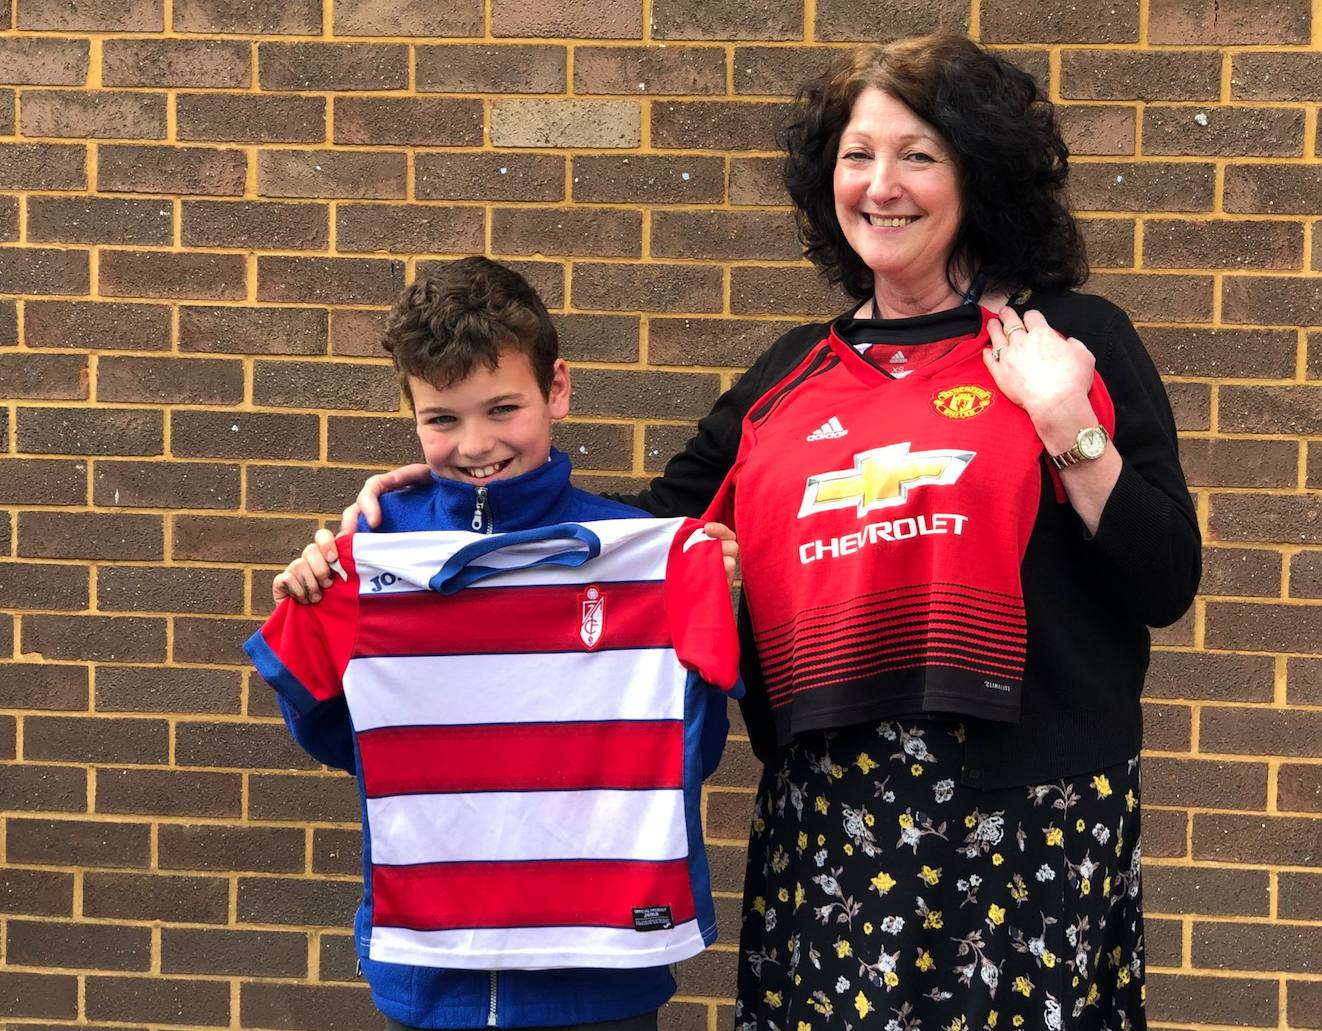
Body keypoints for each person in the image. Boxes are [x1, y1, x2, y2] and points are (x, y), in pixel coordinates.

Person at [301, 35, 1201, 1030]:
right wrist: (429, 517)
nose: (882, 185)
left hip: (1031, 817)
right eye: (858, 155)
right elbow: (612, 544)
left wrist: (1070, 427)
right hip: (829, 831)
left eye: (919, 154)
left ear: (977, 172)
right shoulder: (787, 375)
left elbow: (1163, 578)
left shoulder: (1072, 338)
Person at [253, 256, 743, 1031]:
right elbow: (350, 743)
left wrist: (696, 599)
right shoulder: (376, 548)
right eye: (442, 418)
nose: (475, 442)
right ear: (411, 413)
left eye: (502, 408)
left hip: (600, 969)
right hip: (431, 966)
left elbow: (689, 746)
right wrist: (324, 599)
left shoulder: (640, 554)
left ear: (558, 390)